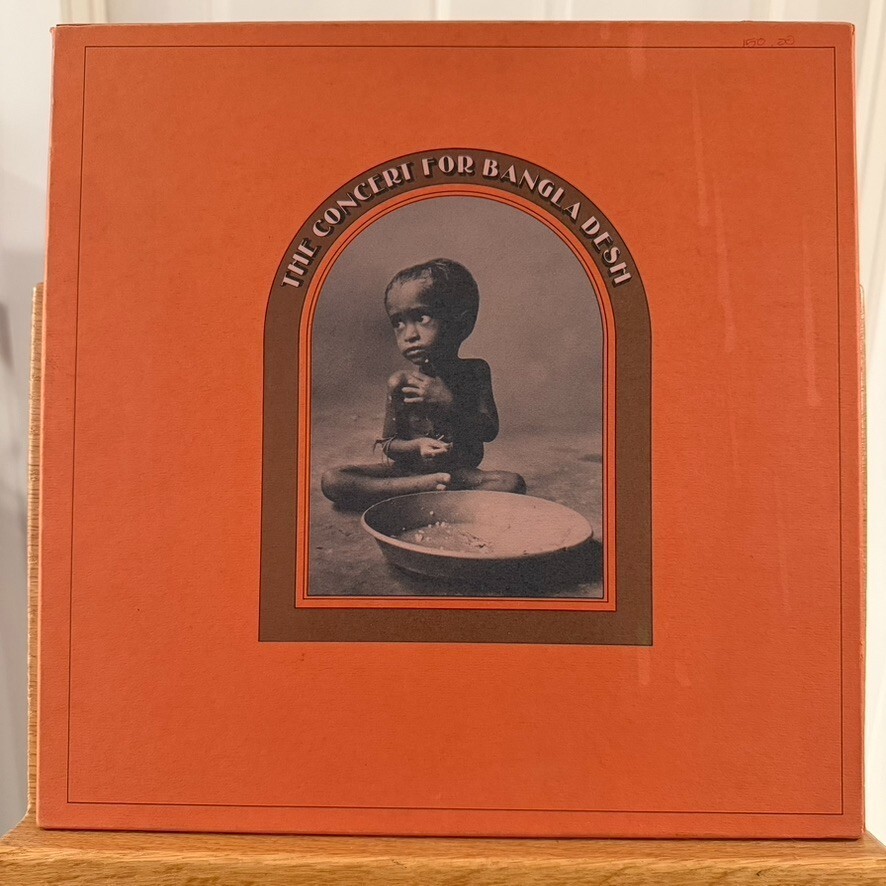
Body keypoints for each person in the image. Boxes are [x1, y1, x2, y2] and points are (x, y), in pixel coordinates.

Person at [321, 258, 526, 510]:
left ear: (461, 323)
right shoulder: (400, 383)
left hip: (457, 473)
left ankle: (419, 491)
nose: (409, 335)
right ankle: (424, 488)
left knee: (512, 483)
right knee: (333, 480)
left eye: (421, 317)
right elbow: (390, 445)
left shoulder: (475, 372)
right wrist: (417, 446)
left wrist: (449, 403)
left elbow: (489, 431)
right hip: (407, 472)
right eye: (398, 323)